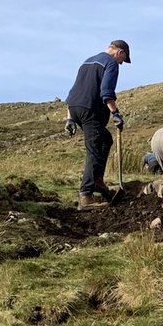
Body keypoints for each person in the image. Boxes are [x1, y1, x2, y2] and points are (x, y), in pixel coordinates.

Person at [65, 40, 131, 209]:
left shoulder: (87, 62)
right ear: (120, 52)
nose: (121, 63)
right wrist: (115, 113)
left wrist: (70, 118)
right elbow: (107, 91)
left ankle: (97, 180)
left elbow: (74, 91)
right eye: (123, 59)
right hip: (91, 111)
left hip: (75, 108)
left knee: (105, 139)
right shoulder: (111, 63)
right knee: (94, 150)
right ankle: (86, 196)